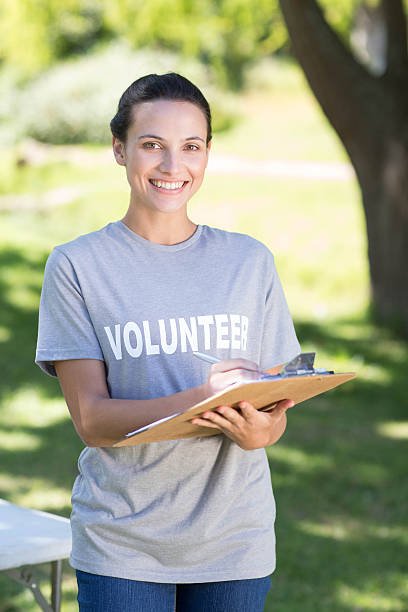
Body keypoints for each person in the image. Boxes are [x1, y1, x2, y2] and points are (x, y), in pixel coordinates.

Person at [35, 72, 300, 612]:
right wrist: (205, 399)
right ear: (119, 149)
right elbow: (92, 420)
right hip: (123, 545)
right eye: (152, 145)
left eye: (191, 147)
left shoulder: (249, 262)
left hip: (236, 541)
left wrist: (261, 432)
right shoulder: (78, 266)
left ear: (207, 154)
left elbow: (274, 409)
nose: (172, 166)